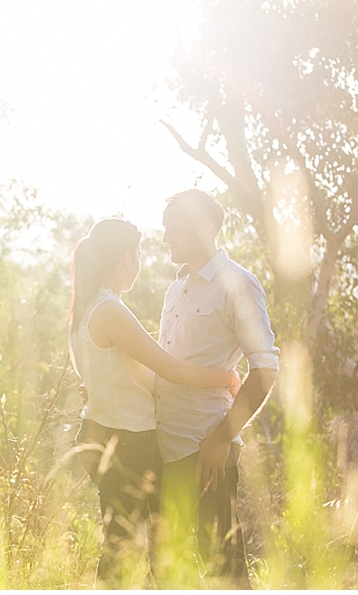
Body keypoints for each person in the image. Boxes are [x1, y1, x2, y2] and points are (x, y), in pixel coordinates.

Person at [68, 218, 240, 588]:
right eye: (140, 253)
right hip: (127, 443)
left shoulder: (88, 308)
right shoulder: (109, 310)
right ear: (127, 256)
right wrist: (226, 377)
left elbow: (138, 378)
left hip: (102, 433)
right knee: (152, 549)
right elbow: (169, 368)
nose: (141, 261)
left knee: (124, 547)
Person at [153, 190, 279, 589]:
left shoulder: (237, 284)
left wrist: (221, 439)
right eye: (165, 228)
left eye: (175, 229)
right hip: (165, 445)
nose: (165, 237)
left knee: (224, 569)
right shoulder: (177, 288)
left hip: (204, 451)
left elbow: (264, 369)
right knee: (168, 570)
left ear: (206, 229)